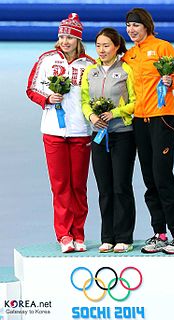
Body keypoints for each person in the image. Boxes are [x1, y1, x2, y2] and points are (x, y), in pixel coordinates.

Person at [123, 8, 174, 254]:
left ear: (146, 26)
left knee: (163, 177)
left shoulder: (163, 47)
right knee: (149, 179)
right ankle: (159, 234)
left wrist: (172, 81)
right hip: (140, 121)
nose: (131, 30)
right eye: (128, 25)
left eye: (136, 25)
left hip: (163, 118)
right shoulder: (129, 56)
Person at [26, 13, 95, 253]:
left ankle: (79, 233)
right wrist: (47, 98)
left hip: (81, 131)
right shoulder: (46, 60)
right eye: (62, 36)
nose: (65, 41)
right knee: (60, 185)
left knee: (79, 186)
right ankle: (64, 235)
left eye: (70, 37)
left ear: (78, 39)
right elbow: (31, 88)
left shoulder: (89, 64)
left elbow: (97, 93)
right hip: (53, 131)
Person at [81, 27, 136, 253]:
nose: (101, 50)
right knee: (104, 188)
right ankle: (107, 237)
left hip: (122, 135)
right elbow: (84, 101)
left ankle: (124, 237)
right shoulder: (90, 72)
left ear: (116, 47)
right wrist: (92, 116)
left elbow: (136, 101)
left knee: (121, 186)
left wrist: (115, 113)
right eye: (98, 46)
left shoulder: (126, 70)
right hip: (98, 135)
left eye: (106, 46)